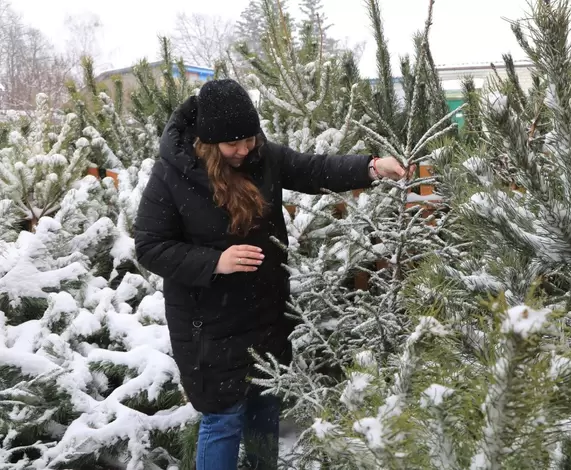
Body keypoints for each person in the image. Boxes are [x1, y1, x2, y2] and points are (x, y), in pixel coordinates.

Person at [133, 79, 409, 470]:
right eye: (234, 144)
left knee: (265, 406)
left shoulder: (263, 158)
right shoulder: (172, 175)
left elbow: (315, 169)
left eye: (250, 139)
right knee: (223, 419)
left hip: (264, 314)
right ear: (209, 142)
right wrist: (214, 262)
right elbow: (149, 246)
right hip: (208, 327)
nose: (245, 150)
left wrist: (369, 166)